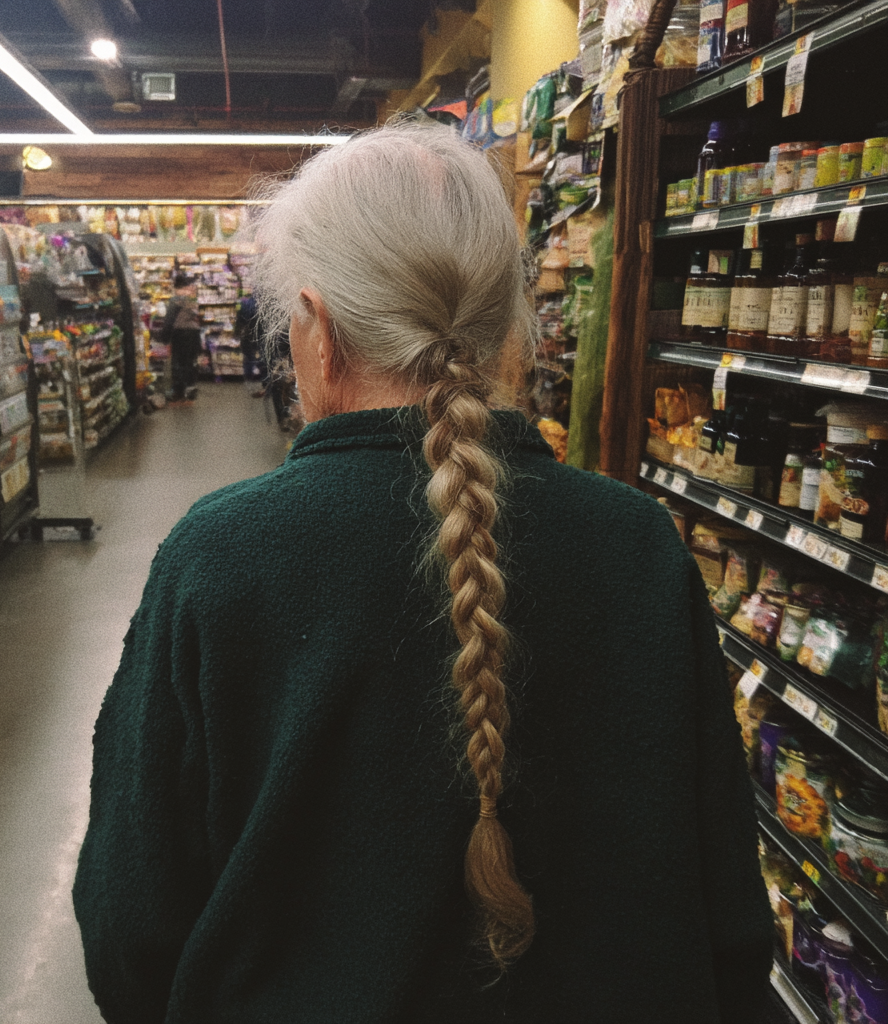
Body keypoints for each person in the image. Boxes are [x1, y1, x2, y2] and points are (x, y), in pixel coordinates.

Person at [73, 122, 773, 1024]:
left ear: (317, 329)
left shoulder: (218, 559)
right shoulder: (638, 544)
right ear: (511, 337)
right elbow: (727, 907)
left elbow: (132, 924)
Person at [159, 274, 200, 400]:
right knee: (190, 361)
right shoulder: (192, 299)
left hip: (181, 333)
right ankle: (191, 388)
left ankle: (178, 392)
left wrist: (164, 337)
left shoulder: (176, 299)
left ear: (176, 286)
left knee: (178, 362)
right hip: (194, 333)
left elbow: (170, 320)